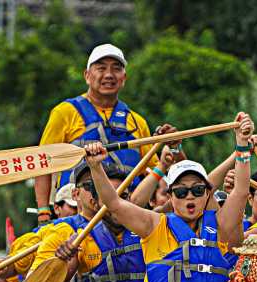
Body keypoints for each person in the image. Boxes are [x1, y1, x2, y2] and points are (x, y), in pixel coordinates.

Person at [67, 113, 254, 282]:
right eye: (181, 192)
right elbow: (114, 203)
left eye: (197, 190)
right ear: (171, 197)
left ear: (208, 194)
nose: (189, 197)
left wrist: (242, 144)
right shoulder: (154, 224)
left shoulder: (219, 226)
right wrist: (95, 166)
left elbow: (241, 192)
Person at [34, 43, 173, 225]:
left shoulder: (137, 122)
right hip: (80, 214)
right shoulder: (64, 113)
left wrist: (173, 149)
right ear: (87, 76)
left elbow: (154, 171)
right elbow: (43, 164)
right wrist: (43, 212)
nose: (109, 75)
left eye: (116, 69)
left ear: (124, 78)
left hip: (127, 215)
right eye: (101, 68)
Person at [54, 163, 147, 282]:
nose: (118, 205)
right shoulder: (81, 239)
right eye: (109, 199)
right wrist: (66, 265)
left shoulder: (148, 231)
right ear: (94, 202)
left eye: (123, 197)